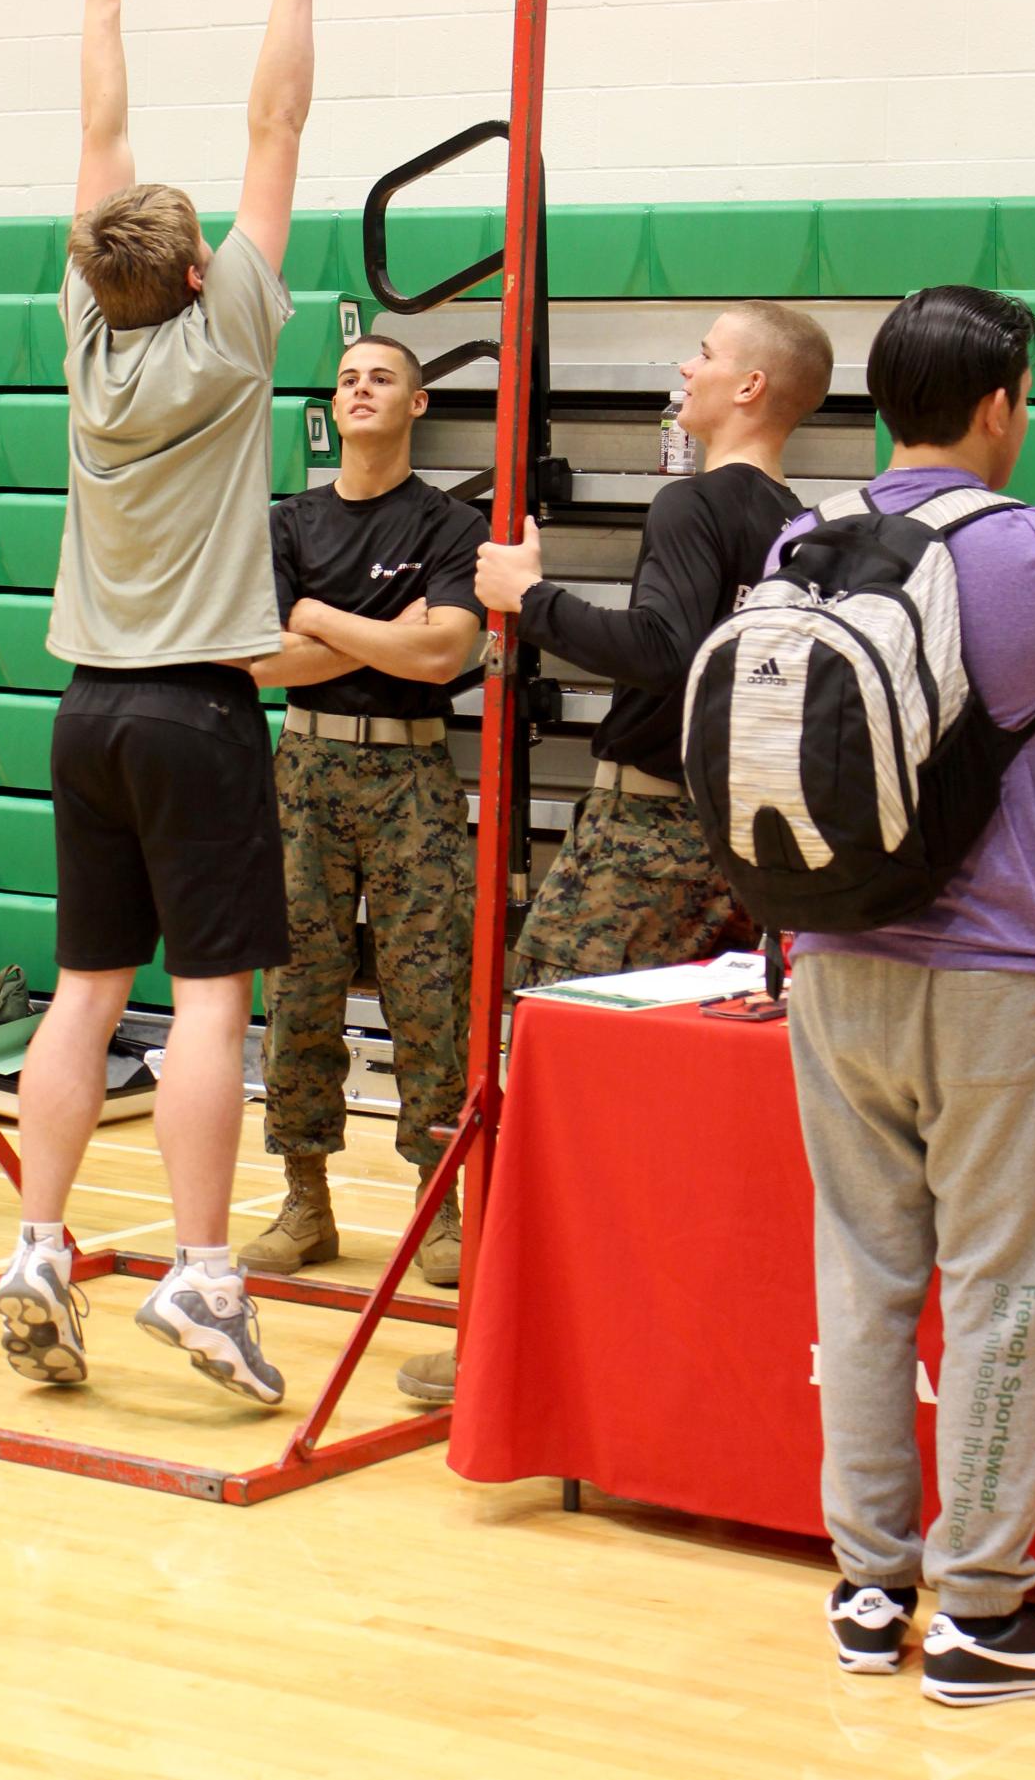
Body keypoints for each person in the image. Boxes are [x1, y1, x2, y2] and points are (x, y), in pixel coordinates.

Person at [0, 0, 336, 1408]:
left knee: (83, 988)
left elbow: (99, 141)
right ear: (199, 272)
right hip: (195, 713)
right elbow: (276, 117)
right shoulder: (232, 331)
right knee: (207, 1002)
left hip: (86, 712)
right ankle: (203, 1278)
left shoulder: (88, 332)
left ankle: (36, 1250)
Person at [783, 287, 1035, 1703]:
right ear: (1000, 405)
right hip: (1002, 983)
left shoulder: (801, 539)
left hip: (831, 969)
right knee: (1012, 1289)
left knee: (863, 1281)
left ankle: (871, 1592)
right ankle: (984, 1615)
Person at [395, 300, 834, 1403]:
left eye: (702, 353)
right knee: (680, 1089)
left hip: (647, 832)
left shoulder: (694, 502)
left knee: (533, 1055)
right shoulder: (796, 523)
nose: (680, 368)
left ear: (748, 389)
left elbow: (663, 653)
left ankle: (503, 1344)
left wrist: (523, 598)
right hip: (742, 839)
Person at [238, 335, 486, 1292]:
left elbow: (443, 659)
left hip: (411, 777)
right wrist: (394, 633)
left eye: (382, 376)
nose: (360, 389)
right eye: (347, 379)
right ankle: (306, 1202)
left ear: (417, 403)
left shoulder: (451, 524)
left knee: (430, 999)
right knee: (298, 989)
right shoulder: (288, 522)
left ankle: (440, 1208)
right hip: (300, 767)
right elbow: (258, 662)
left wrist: (323, 622)